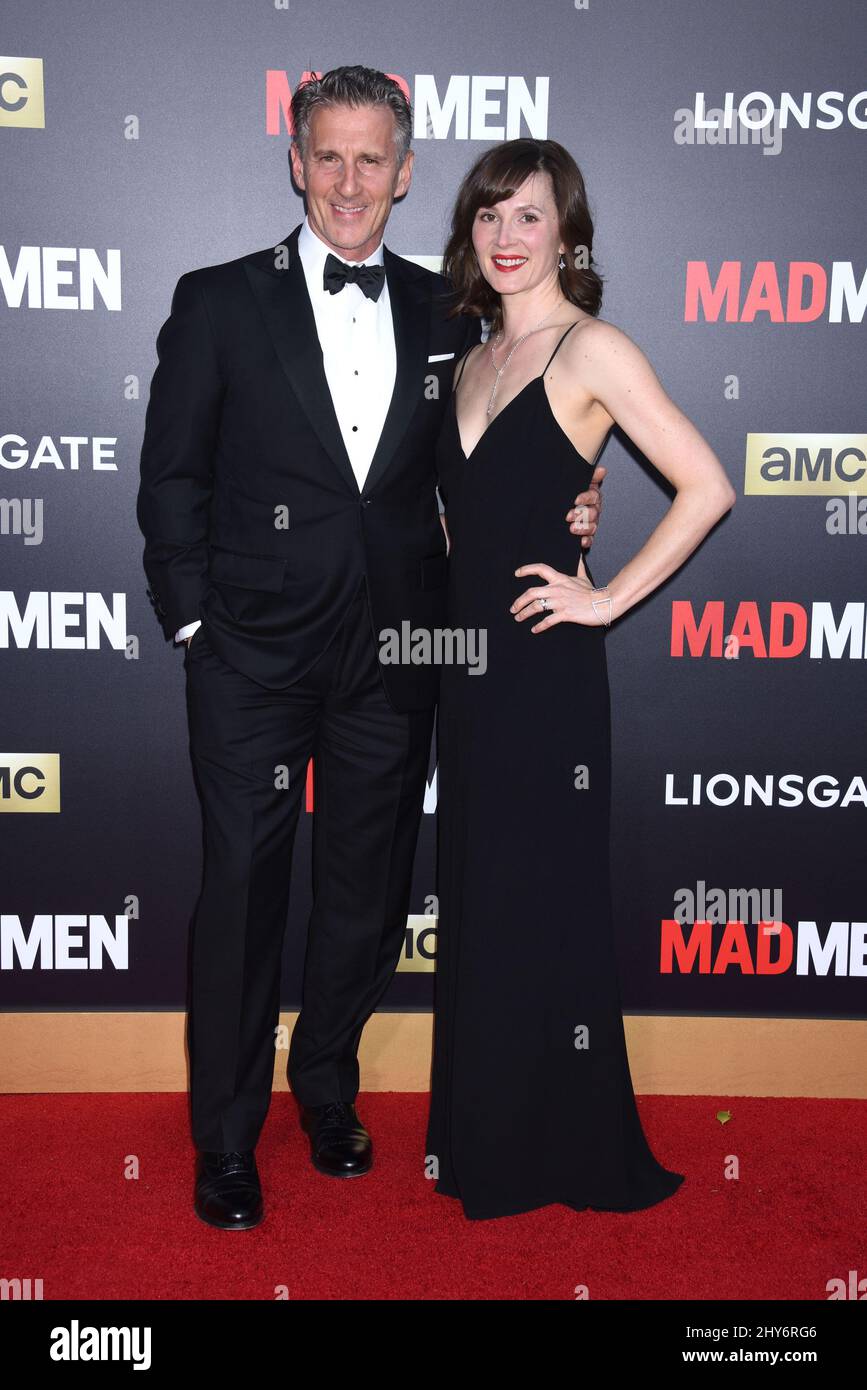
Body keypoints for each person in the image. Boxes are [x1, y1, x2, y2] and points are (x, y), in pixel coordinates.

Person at [136, 69, 605, 1230]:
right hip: (247, 654)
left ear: (405, 172)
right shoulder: (217, 301)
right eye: (328, 156)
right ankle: (227, 1137)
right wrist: (196, 624)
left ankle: (327, 1088)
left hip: (400, 649)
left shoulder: (455, 312)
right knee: (242, 892)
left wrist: (577, 504)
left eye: (373, 159)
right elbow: (172, 479)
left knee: (368, 892)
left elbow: (518, 441)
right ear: (297, 162)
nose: (350, 182)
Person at [426, 137, 735, 1220]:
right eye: (488, 215)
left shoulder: (593, 350)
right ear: (469, 231)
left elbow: (708, 486)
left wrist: (604, 594)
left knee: (538, 901)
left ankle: (552, 1146)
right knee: (480, 896)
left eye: (529, 216)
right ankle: (484, 1140)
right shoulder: (464, 360)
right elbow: (466, 520)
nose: (507, 237)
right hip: (466, 678)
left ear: (567, 231)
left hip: (547, 676)